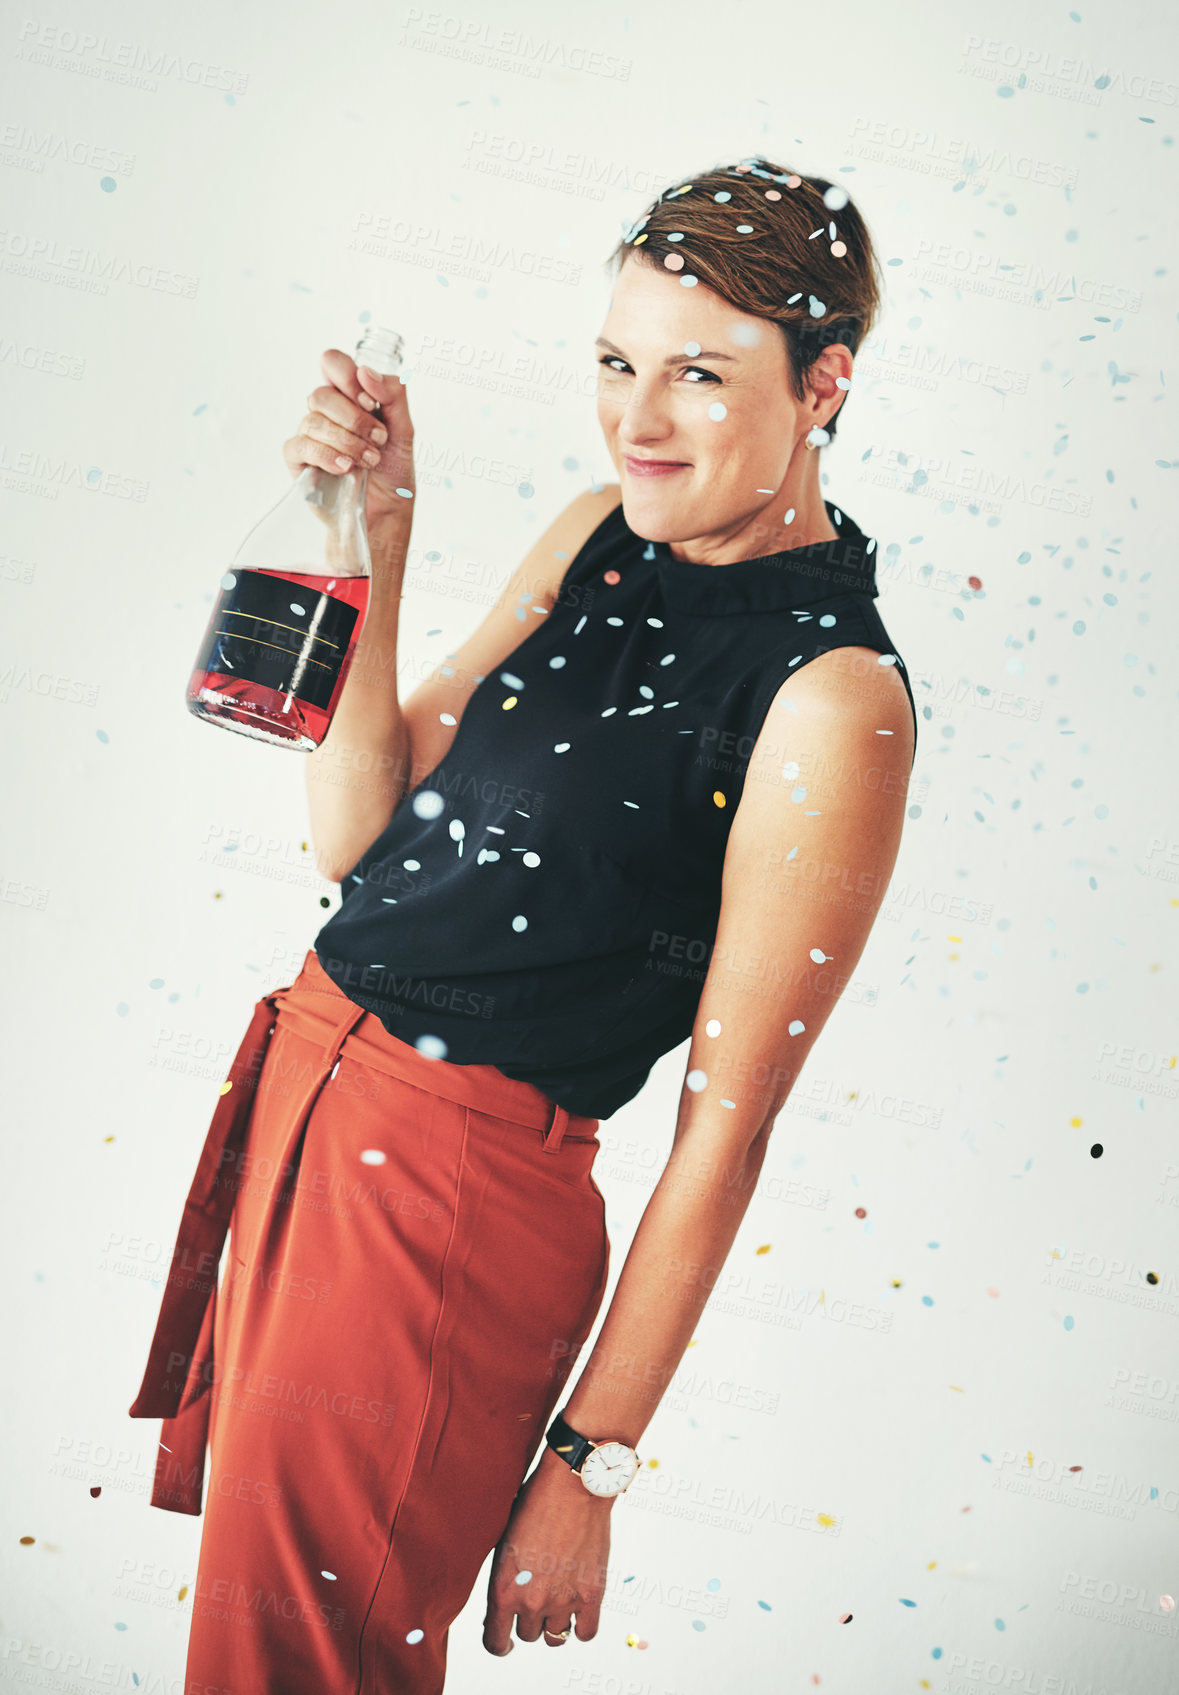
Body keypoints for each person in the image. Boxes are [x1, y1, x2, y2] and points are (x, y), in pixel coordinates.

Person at [129, 154, 918, 1693]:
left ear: (823, 381)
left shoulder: (832, 697)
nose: (638, 419)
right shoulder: (596, 536)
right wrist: (382, 528)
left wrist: (591, 1461)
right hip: (310, 1100)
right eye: (618, 362)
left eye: (702, 373)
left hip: (447, 1208)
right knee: (265, 1657)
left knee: (295, 1671)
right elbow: (361, 834)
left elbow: (725, 1131)